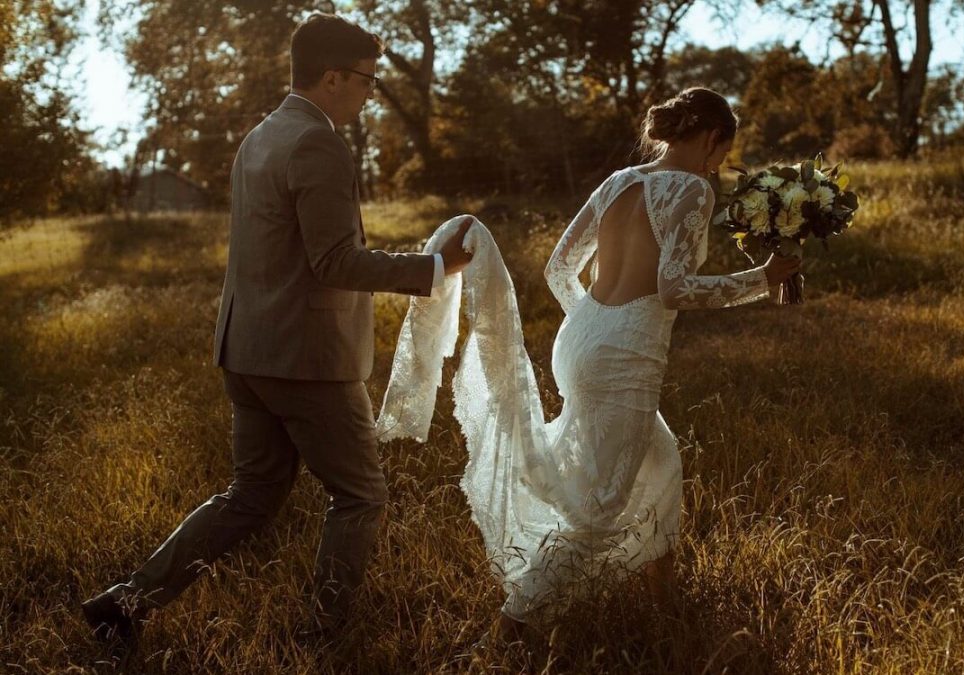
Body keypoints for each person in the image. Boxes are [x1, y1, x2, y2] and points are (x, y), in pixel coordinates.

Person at [80, 11, 472, 643]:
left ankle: (126, 602)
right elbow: (335, 262)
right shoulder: (319, 143)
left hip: (247, 348)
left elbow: (295, 247)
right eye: (369, 81)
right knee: (361, 496)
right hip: (304, 358)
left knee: (253, 494)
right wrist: (436, 267)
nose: (372, 94)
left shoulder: (261, 135)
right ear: (334, 77)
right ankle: (324, 635)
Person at [480, 86, 800, 638]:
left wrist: (598, 326)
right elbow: (674, 290)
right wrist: (761, 279)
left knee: (662, 463)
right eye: (723, 151)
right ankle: (505, 633)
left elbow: (559, 269)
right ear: (712, 137)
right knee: (598, 511)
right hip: (622, 355)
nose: (720, 163)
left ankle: (665, 603)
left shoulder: (619, 182)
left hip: (578, 338)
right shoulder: (694, 190)